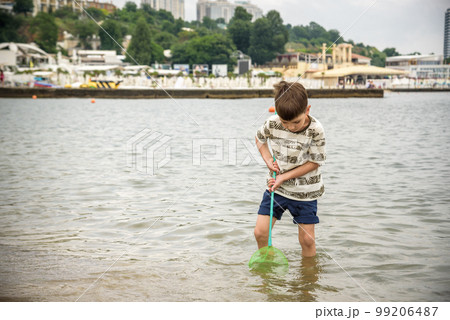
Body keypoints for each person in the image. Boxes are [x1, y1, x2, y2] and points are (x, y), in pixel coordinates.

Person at [254, 81, 326, 257]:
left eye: (296, 122)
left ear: (307, 110)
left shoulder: (316, 130)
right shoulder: (272, 123)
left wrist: (284, 177)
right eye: (285, 123)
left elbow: (315, 162)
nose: (291, 127)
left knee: (307, 240)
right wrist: (269, 160)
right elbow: (259, 140)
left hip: (306, 192)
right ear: (278, 114)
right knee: (260, 233)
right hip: (276, 189)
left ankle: (308, 280)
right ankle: (268, 264)